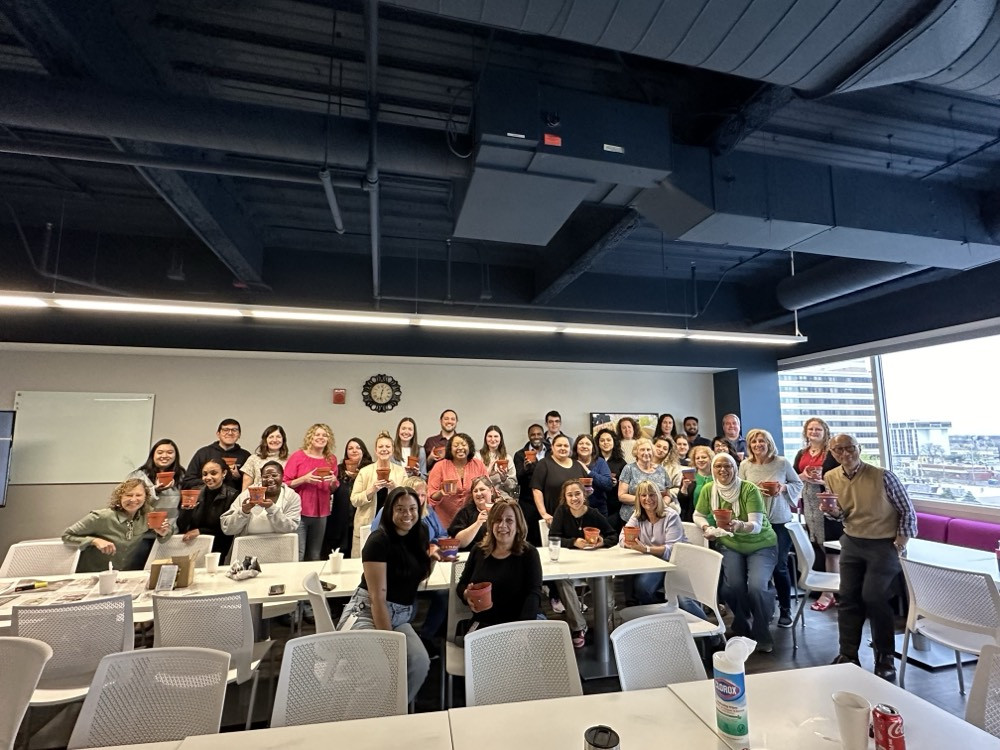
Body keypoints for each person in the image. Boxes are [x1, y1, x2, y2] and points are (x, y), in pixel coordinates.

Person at [825, 433, 917, 683]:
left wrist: (901, 542)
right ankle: (848, 655)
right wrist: (833, 512)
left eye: (850, 448)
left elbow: (907, 510)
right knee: (847, 598)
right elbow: (843, 515)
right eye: (839, 450)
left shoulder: (882, 476)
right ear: (832, 454)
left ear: (859, 448)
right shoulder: (830, 477)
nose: (845, 454)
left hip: (883, 544)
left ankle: (885, 656)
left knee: (874, 597)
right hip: (852, 542)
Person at [337, 486, 434, 705]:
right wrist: (389, 647)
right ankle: (361, 719)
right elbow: (377, 598)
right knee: (379, 669)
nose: (407, 514)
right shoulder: (378, 541)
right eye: (400, 509)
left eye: (412, 509)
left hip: (399, 615)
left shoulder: (420, 533)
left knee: (419, 662)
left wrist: (434, 557)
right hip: (367, 612)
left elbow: (417, 576)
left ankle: (393, 711)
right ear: (389, 511)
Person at [694, 453, 778, 652]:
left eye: (728, 466)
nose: (722, 470)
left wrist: (739, 525)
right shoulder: (709, 489)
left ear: (735, 468)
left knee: (757, 587)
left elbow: (756, 526)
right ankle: (742, 622)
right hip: (730, 544)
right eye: (718, 466)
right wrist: (706, 528)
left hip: (761, 544)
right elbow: (697, 515)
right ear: (713, 469)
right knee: (731, 588)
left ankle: (761, 631)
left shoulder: (748, 489)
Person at [738, 428, 803, 629]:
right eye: (754, 441)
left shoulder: (782, 463)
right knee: (757, 568)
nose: (758, 444)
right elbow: (739, 489)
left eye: (762, 441)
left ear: (769, 443)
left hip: (780, 521)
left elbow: (797, 483)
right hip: (756, 522)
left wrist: (782, 488)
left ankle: (785, 609)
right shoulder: (745, 465)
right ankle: (765, 608)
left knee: (779, 565)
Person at [547, 480, 616, 647]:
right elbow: (553, 538)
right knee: (562, 580)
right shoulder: (561, 512)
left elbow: (613, 536)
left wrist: (601, 542)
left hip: (593, 564)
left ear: (584, 495)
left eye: (577, 494)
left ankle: (602, 622)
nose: (574, 498)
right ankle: (578, 626)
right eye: (569, 495)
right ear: (565, 498)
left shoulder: (593, 513)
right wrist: (573, 542)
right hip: (569, 563)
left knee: (605, 593)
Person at [456, 498, 543, 629]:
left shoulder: (529, 553)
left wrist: (522, 629)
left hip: (518, 624)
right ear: (491, 524)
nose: (502, 525)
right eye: (497, 520)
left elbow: (534, 594)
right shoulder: (478, 550)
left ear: (518, 525)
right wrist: (466, 594)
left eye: (509, 520)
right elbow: (462, 585)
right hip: (483, 624)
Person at [619, 480, 701, 613]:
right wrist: (632, 544)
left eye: (652, 495)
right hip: (655, 563)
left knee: (685, 601)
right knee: (642, 587)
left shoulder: (671, 515)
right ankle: (663, 618)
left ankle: (714, 634)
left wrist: (645, 549)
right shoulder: (637, 515)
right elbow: (622, 538)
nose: (648, 499)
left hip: (678, 563)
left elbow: (671, 550)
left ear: (659, 496)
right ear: (638, 498)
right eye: (643, 495)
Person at [63, 478, 172, 572]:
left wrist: (163, 532)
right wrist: (94, 541)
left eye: (138, 495)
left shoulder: (148, 516)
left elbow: (165, 536)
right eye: (128, 495)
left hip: (125, 574)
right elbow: (67, 536)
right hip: (94, 574)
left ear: (145, 497)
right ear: (119, 497)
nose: (133, 499)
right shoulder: (101, 517)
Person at [793, 417, 842, 610]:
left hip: (827, 501)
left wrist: (822, 481)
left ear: (825, 432)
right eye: (811, 429)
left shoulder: (831, 453)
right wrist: (803, 477)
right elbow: (794, 477)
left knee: (831, 548)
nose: (814, 432)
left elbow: (839, 478)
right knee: (817, 545)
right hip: (809, 502)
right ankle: (830, 589)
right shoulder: (801, 453)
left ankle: (830, 592)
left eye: (818, 429)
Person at [283, 423, 340, 561]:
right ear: (310, 437)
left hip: (321, 513)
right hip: (299, 512)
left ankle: (311, 582)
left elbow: (333, 489)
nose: (321, 437)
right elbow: (284, 483)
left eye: (324, 435)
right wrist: (304, 479)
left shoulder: (331, 459)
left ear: (329, 439)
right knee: (298, 553)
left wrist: (333, 481)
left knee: (315, 555)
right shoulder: (298, 456)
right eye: (317, 434)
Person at [126, 438, 185, 566]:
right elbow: (130, 503)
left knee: (166, 574)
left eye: (169, 452)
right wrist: (155, 490)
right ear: (153, 455)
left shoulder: (182, 476)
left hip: (170, 534)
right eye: (160, 452)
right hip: (143, 535)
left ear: (175, 455)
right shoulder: (139, 476)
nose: (164, 456)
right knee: (136, 572)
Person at [350, 431, 406, 557]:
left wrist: (394, 488)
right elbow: (354, 500)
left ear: (392, 450)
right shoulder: (365, 472)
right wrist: (372, 490)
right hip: (366, 526)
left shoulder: (400, 472)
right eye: (381, 447)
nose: (384, 450)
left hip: (393, 526)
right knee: (362, 563)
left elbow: (407, 499)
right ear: (376, 450)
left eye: (387, 447)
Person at [176, 457, 239, 560]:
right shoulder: (194, 492)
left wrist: (201, 531)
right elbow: (181, 525)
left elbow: (228, 528)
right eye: (205, 474)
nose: (208, 477)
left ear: (224, 473)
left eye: (213, 473)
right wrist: (187, 511)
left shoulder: (232, 495)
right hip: (194, 544)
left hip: (220, 547)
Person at [221, 460, 301, 537]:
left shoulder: (292, 497)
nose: (270, 479)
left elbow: (290, 528)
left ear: (282, 476)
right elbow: (227, 529)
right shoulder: (248, 493)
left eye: (274, 475)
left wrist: (272, 509)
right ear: (261, 478)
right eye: (265, 477)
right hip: (248, 546)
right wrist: (243, 512)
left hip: (278, 547)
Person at [427, 432, 487, 528]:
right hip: (444, 520)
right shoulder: (440, 466)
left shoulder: (478, 465)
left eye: (463, 445)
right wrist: (441, 493)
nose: (460, 448)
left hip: (472, 520)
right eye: (456, 445)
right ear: (450, 449)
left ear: (470, 447)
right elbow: (431, 497)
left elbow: (487, 488)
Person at [325, 437, 372, 558]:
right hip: (340, 519)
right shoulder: (339, 469)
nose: (354, 450)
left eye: (358, 448)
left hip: (361, 517)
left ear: (363, 451)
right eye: (350, 448)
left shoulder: (369, 470)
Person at [182, 419, 250, 491]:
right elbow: (188, 482)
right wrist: (210, 480)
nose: (230, 433)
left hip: (235, 499)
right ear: (218, 434)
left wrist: (238, 477)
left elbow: (253, 485)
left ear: (239, 435)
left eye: (234, 430)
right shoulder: (203, 453)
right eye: (225, 430)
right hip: (207, 499)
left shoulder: (246, 456)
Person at [617, 438, 671, 525]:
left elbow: (668, 495)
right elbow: (621, 496)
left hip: (658, 517)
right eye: (642, 450)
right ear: (636, 452)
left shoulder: (661, 470)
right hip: (632, 517)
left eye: (648, 449)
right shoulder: (629, 468)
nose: (646, 453)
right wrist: (646, 501)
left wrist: (661, 505)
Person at [513, 424, 548, 544]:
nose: (536, 437)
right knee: (530, 535)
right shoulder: (519, 454)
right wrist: (525, 469)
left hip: (547, 499)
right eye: (533, 434)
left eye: (539, 434)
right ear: (529, 436)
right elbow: (517, 479)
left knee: (547, 534)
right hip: (527, 502)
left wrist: (538, 465)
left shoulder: (551, 451)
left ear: (544, 435)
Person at [448, 476, 499, 549]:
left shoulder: (501, 510)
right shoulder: (465, 513)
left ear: (491, 491)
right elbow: (459, 542)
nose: (478, 493)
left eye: (482, 489)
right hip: (470, 554)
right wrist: (478, 523)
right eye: (475, 491)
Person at [573, 433, 613, 516]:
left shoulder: (600, 462)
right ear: (576, 447)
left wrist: (589, 472)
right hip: (574, 509)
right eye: (581, 443)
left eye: (588, 444)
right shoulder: (570, 462)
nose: (584, 446)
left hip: (598, 510)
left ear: (593, 448)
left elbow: (608, 484)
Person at [241, 425, 288, 490]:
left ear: (283, 439)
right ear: (265, 440)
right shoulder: (253, 459)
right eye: (271, 437)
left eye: (278, 437)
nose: (275, 440)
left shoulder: (290, 459)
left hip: (283, 498)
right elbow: (245, 487)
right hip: (258, 498)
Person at [595, 428, 626, 528]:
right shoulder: (593, 460)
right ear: (598, 443)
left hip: (614, 505)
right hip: (596, 502)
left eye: (608, 440)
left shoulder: (621, 462)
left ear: (614, 442)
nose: (605, 443)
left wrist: (617, 483)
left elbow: (626, 485)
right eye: (602, 440)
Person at [677, 445, 714, 521]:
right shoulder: (689, 476)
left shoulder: (717, 477)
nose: (700, 460)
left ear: (710, 459)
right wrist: (684, 487)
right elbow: (682, 503)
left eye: (704, 457)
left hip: (714, 519)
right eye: (697, 458)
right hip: (693, 519)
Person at [479, 425, 517, 499]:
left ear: (500, 439)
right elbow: (474, 483)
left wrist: (504, 479)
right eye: (490, 436)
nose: (493, 439)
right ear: (485, 438)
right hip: (483, 496)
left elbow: (513, 486)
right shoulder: (477, 456)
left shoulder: (507, 458)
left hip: (503, 497)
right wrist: (488, 473)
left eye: (496, 436)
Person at [652, 436, 684, 504]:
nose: (660, 450)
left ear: (668, 452)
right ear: (652, 446)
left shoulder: (674, 468)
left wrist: (663, 494)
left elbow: (677, 489)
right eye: (658, 446)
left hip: (668, 503)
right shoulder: (644, 463)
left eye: (665, 448)